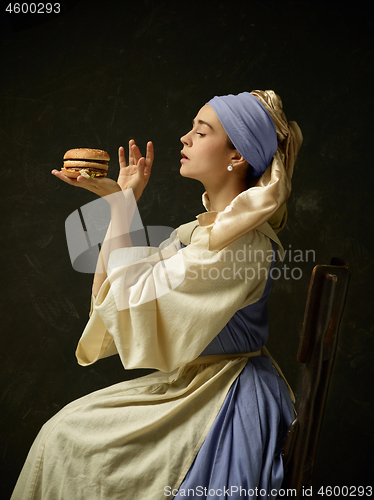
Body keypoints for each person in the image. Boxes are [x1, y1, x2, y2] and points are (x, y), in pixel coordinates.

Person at [11, 90, 303, 499]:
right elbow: (116, 295)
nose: (184, 138)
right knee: (62, 433)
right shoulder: (202, 233)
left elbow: (133, 298)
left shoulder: (240, 245)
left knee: (65, 438)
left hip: (226, 399)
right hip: (197, 383)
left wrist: (123, 206)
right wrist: (120, 203)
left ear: (236, 157)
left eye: (201, 133)